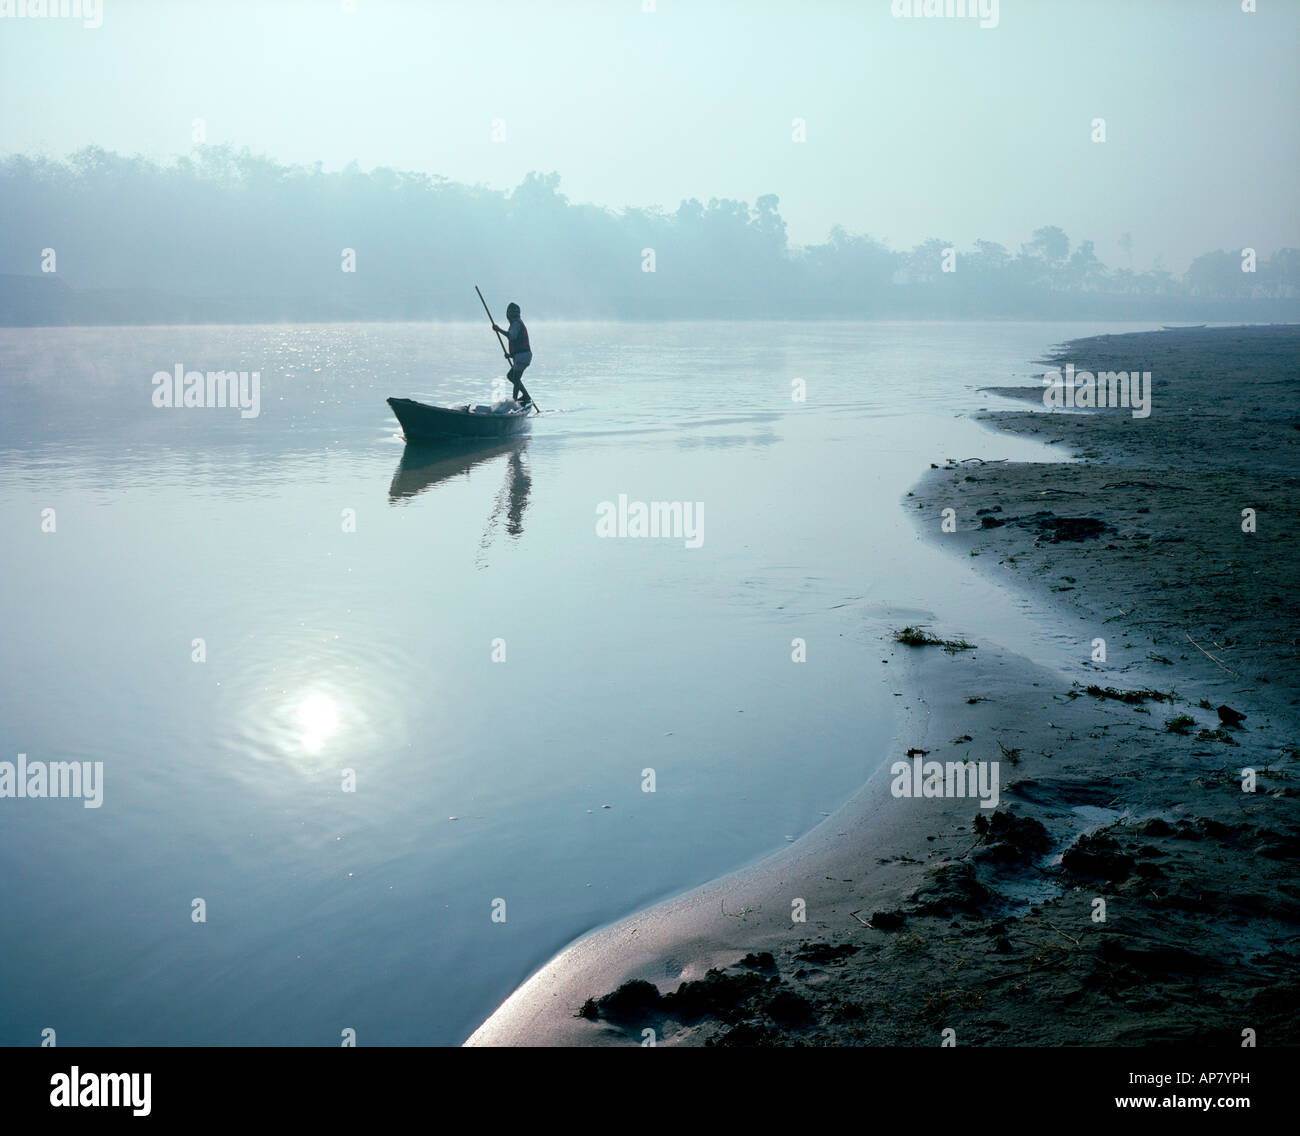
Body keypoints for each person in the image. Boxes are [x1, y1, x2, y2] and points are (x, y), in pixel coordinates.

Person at [491, 302, 532, 406]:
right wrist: (510, 355)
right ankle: (526, 396)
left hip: (523, 356)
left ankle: (514, 402)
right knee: (511, 376)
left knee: (516, 378)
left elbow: (511, 336)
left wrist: (498, 329)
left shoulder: (517, 323)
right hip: (520, 356)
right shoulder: (516, 323)